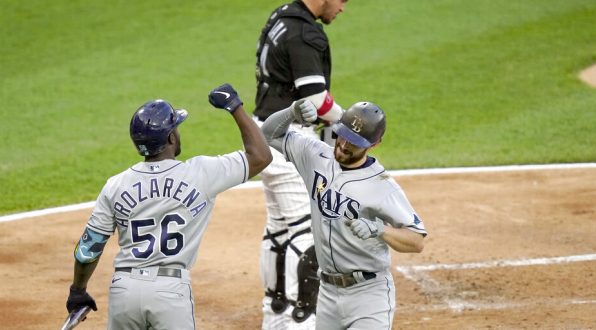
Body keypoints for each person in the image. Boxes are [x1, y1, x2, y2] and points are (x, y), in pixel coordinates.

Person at [64, 83, 272, 329]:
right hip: (169, 292)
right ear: (171, 137)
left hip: (124, 290)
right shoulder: (201, 173)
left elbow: (89, 248)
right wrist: (235, 107)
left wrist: (78, 290)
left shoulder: (115, 185)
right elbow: (261, 156)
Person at [261, 99, 427, 330]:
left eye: (355, 142)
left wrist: (380, 230)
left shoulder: (383, 187)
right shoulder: (315, 156)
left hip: (368, 296)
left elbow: (417, 240)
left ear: (374, 143)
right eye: (343, 135)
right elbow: (268, 134)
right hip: (327, 293)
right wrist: (291, 112)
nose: (344, 145)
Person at [253, 0, 348, 328]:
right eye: (343, 0)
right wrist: (348, 123)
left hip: (266, 135)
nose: (343, 7)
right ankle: (301, 320)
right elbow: (315, 99)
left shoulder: (282, 15)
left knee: (280, 229)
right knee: (305, 234)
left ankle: (276, 313)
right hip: (289, 141)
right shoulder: (304, 32)